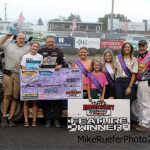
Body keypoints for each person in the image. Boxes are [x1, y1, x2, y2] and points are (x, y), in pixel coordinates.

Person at [0, 33, 30, 127]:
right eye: (20, 38)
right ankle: (4, 117)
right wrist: (5, 37)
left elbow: (35, 52)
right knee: (7, 94)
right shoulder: (8, 44)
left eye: (23, 39)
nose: (21, 40)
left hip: (19, 75)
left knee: (15, 97)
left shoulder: (27, 48)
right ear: (16, 38)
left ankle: (10, 118)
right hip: (8, 73)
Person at [38, 36, 68, 128]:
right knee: (46, 100)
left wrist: (60, 65)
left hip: (56, 80)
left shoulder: (59, 51)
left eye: (52, 42)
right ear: (46, 42)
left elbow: (65, 64)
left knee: (57, 101)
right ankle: (47, 120)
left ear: (54, 42)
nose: (50, 43)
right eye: (49, 42)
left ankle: (57, 120)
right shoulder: (40, 51)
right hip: (44, 80)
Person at [21, 42, 43, 127]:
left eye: (37, 46)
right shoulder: (25, 56)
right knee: (26, 101)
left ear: (38, 48)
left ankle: (34, 120)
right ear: (31, 47)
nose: (35, 48)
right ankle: (26, 120)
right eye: (34, 46)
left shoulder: (40, 57)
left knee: (35, 102)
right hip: (26, 81)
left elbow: (40, 69)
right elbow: (23, 69)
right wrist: (27, 77)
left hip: (36, 81)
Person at [135, 40, 150, 132]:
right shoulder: (138, 57)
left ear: (147, 46)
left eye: (143, 46)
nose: (141, 48)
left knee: (145, 103)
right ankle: (141, 122)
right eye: (140, 46)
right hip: (140, 82)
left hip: (147, 82)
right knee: (140, 102)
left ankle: (146, 124)